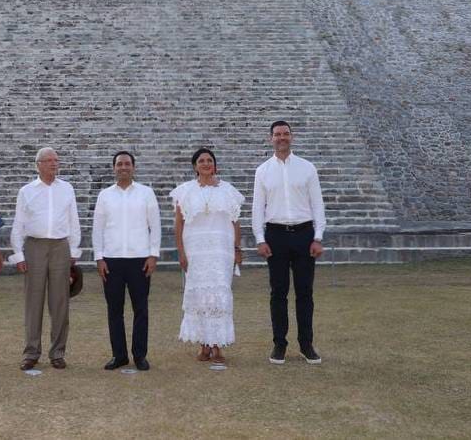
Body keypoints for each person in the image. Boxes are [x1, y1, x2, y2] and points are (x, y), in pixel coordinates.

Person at [252, 120, 326, 365]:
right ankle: (279, 344)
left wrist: (318, 237)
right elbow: (257, 208)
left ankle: (306, 344)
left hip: (304, 234)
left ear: (291, 137)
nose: (281, 138)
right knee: (278, 293)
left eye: (285, 134)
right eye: (277, 134)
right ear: (271, 138)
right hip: (276, 236)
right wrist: (260, 239)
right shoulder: (262, 171)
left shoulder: (307, 168)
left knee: (305, 292)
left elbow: (317, 204)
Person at [10, 147, 81, 371]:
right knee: (33, 302)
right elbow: (19, 223)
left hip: (60, 246)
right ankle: (31, 352)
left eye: (56, 160)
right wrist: (18, 253)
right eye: (48, 160)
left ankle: (58, 353)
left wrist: (73, 250)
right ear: (38, 164)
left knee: (60, 302)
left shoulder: (67, 188)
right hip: (34, 246)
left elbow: (74, 220)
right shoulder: (26, 191)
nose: (53, 163)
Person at [171, 147, 244, 365]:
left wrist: (237, 249)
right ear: (195, 166)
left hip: (221, 252)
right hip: (196, 253)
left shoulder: (228, 190)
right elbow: (178, 224)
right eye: (201, 161)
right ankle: (204, 344)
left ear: (215, 165)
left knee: (220, 295)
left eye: (209, 160)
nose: (206, 164)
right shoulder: (184, 191)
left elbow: (235, 222)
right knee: (200, 297)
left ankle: (217, 345)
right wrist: (181, 252)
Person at [93, 150, 161, 371]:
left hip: (139, 259)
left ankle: (140, 355)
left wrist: (153, 254)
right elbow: (97, 228)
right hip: (111, 260)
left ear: (133, 167)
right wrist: (99, 257)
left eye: (127, 164)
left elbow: (155, 225)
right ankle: (119, 355)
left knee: (141, 309)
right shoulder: (105, 195)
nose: (123, 167)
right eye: (119, 164)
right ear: (114, 168)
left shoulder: (146, 193)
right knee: (114, 310)